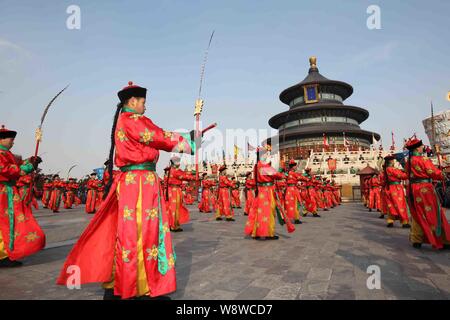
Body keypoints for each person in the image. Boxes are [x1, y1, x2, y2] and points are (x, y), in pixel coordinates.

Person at [57, 81, 197, 299]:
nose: (145, 106)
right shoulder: (132, 120)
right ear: (132, 101)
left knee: (132, 232)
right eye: (143, 102)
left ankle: (128, 281)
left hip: (136, 181)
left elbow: (157, 134)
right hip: (139, 184)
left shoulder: (126, 121)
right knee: (142, 232)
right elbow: (158, 136)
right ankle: (137, 285)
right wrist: (189, 140)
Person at [0, 125, 45, 267]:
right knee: (6, 222)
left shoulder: (8, 154)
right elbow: (7, 169)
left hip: (9, 191)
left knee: (11, 222)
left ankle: (7, 252)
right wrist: (26, 168)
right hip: (3, 191)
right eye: (10, 139)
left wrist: (32, 160)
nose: (13, 142)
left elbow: (20, 164)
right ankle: (3, 255)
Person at [404, 137, 450, 250]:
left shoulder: (408, 161)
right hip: (425, 189)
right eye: (421, 146)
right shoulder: (423, 160)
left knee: (417, 213)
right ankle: (442, 239)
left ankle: (417, 239)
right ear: (417, 148)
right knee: (433, 213)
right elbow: (432, 172)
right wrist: (442, 174)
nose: (422, 148)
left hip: (413, 189)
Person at [244, 145, 295, 240]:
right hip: (267, 192)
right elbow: (275, 174)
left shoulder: (257, 165)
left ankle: (258, 232)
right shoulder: (263, 166)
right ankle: (267, 233)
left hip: (261, 191)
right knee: (268, 213)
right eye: (266, 154)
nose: (267, 155)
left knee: (260, 212)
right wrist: (283, 175)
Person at [166, 156, 195, 232]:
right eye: (177, 162)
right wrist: (193, 176)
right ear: (174, 163)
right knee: (174, 208)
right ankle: (173, 225)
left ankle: (175, 224)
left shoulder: (171, 170)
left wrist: (190, 173)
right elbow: (184, 176)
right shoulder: (175, 171)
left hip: (173, 190)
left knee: (175, 207)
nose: (179, 163)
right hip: (174, 190)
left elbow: (183, 174)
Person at [382, 155, 410, 228]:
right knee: (400, 204)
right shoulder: (391, 169)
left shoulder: (386, 170)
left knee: (391, 205)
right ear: (391, 161)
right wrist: (407, 172)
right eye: (393, 161)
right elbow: (402, 176)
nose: (394, 162)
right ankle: (404, 222)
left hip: (389, 188)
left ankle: (390, 220)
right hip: (396, 188)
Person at [284, 159, 306, 224]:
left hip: (289, 189)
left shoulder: (288, 173)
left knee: (289, 204)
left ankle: (288, 218)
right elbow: (300, 177)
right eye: (295, 166)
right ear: (293, 166)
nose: (296, 167)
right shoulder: (293, 173)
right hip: (292, 190)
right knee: (295, 204)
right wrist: (307, 179)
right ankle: (296, 218)